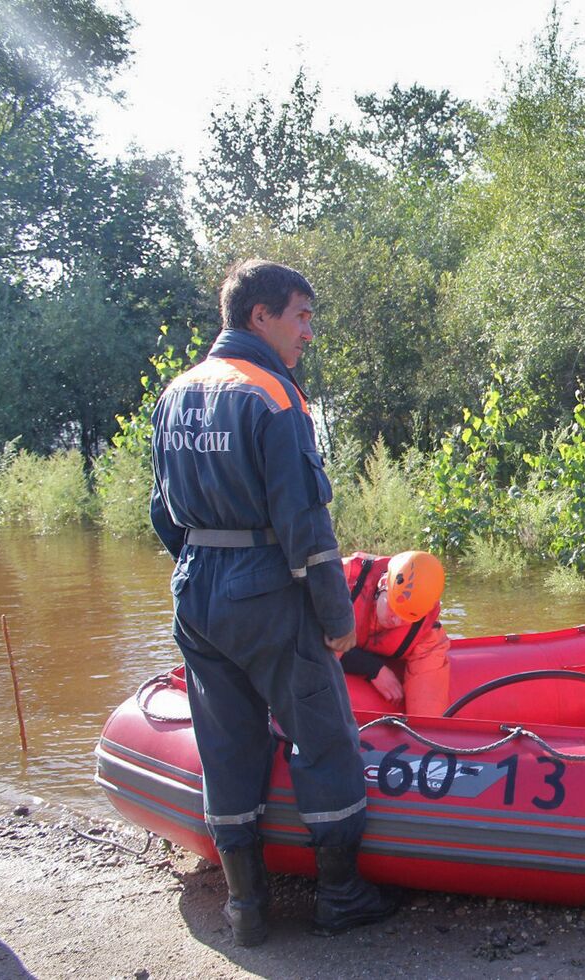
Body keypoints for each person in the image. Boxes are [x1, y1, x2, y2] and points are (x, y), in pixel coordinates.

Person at [149, 259, 398, 946]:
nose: (307, 334)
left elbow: (162, 513)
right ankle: (342, 895)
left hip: (196, 584)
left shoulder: (176, 392)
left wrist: (204, 570)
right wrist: (337, 616)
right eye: (302, 316)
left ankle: (246, 908)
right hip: (265, 584)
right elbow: (305, 524)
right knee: (324, 737)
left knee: (227, 742)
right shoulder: (273, 395)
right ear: (260, 316)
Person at [339, 550, 451, 716]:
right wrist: (372, 668)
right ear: (384, 583)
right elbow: (301, 633)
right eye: (393, 608)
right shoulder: (342, 577)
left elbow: (427, 721)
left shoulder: (427, 637)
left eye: (405, 618)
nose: (396, 621)